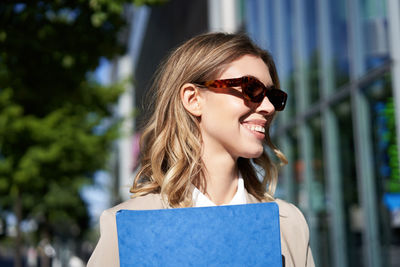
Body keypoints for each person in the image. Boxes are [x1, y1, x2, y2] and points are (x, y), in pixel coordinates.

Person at [87, 32, 315, 267]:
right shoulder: (126, 228)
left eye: (273, 96)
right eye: (251, 89)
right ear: (193, 99)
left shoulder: (289, 224)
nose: (268, 107)